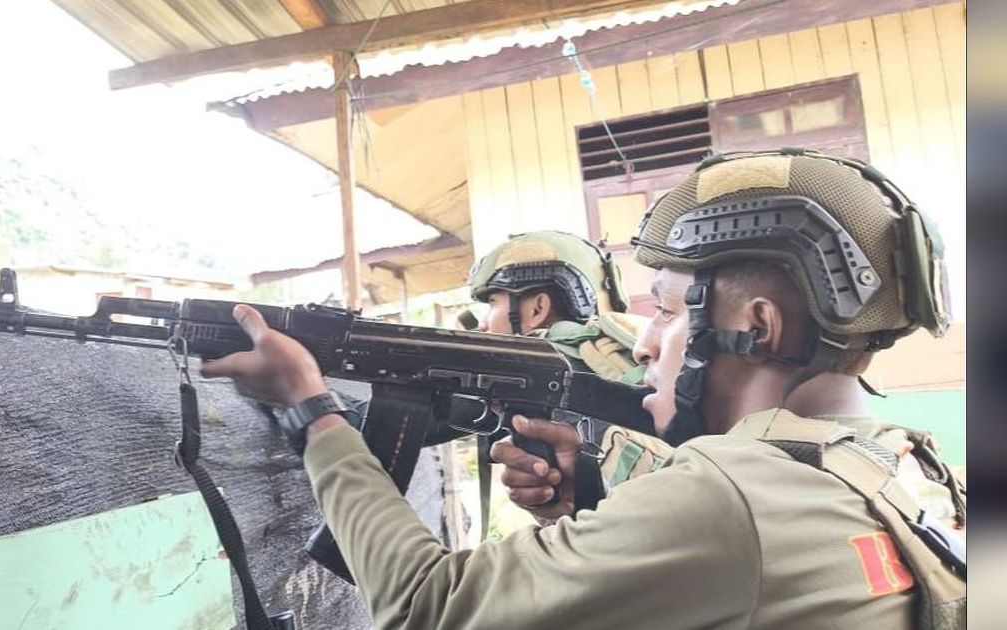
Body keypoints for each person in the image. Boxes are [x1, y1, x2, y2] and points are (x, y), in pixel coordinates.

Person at [201, 149, 965, 628]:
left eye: (664, 311)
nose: (645, 340)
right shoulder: (903, 463)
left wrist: (314, 408)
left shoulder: (729, 497)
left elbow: (430, 607)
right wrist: (597, 498)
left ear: (756, 327)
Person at [465, 230, 672, 508]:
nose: (483, 324)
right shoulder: (632, 369)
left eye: (491, 303)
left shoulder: (565, 381)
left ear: (537, 309)